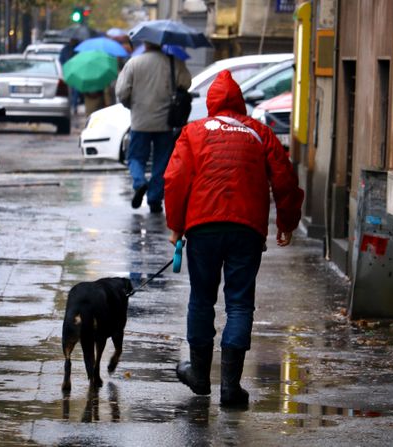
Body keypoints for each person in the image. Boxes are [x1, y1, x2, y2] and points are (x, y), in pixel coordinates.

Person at [163, 70, 304, 408]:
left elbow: (175, 179)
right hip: (246, 229)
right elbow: (285, 180)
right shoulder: (260, 132)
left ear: (211, 103)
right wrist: (286, 223)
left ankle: (199, 374)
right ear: (240, 102)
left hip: (203, 227)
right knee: (239, 302)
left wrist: (176, 226)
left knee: (201, 298)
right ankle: (230, 386)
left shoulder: (194, 132)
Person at [115, 41, 191, 213]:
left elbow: (121, 92)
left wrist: (131, 104)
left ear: (146, 44)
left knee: (135, 157)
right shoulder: (173, 62)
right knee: (161, 162)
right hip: (165, 122)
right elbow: (186, 83)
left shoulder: (134, 62)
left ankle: (139, 182)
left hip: (140, 120)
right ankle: (155, 199)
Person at [59, 38, 81, 115]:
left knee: (72, 91)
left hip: (68, 72)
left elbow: (61, 61)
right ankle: (73, 106)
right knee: (74, 90)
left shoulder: (66, 49)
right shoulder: (79, 50)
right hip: (75, 73)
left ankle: (73, 106)